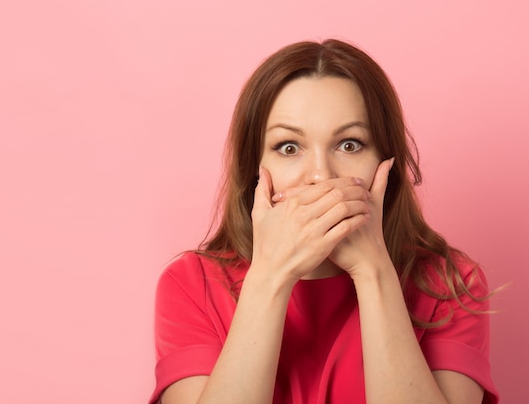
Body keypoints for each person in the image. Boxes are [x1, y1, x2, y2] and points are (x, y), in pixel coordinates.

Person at [149, 39, 499, 404]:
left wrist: (373, 270)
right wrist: (271, 276)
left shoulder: (451, 284)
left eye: (349, 145)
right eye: (288, 147)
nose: (320, 176)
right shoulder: (191, 286)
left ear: (386, 164)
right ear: (254, 170)